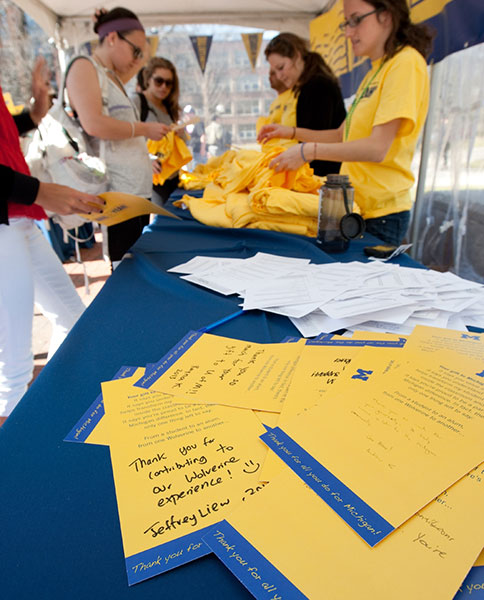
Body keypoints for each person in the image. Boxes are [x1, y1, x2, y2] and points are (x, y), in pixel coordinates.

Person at [261, 0, 433, 246]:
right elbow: (343, 134)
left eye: (356, 20)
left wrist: (307, 151)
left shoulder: (405, 63)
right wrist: (291, 132)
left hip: (381, 213)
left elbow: (377, 148)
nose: (349, 32)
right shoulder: (376, 70)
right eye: (346, 23)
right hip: (357, 207)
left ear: (386, 15)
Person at [0, 57, 104, 427]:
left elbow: (4, 134)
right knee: (13, 365)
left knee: (73, 318)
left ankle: (47, 412)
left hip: (20, 215)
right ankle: (14, 457)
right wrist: (40, 190)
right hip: (8, 216)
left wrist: (32, 115)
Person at [65, 7, 168, 266]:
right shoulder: (84, 66)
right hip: (116, 194)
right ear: (112, 38)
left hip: (134, 192)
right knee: (124, 270)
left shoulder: (111, 76)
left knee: (137, 266)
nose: (138, 58)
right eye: (136, 50)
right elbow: (93, 124)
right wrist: (144, 129)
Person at [258, 32, 346, 176]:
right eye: (275, 71)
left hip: (325, 176)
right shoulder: (305, 87)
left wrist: (290, 133)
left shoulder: (318, 86)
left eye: (281, 67)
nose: (279, 76)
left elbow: (326, 137)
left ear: (297, 56)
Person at [131, 57, 184, 205]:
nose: (164, 87)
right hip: (148, 179)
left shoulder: (170, 107)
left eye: (169, 83)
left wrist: (181, 134)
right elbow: (123, 138)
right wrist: (145, 158)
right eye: (159, 81)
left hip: (171, 175)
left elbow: (179, 143)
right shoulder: (137, 102)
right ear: (148, 79)